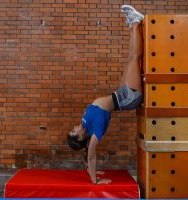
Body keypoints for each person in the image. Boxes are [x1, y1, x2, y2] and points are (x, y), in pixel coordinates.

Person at [67, 5, 144, 185]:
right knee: (134, 59)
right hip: (129, 98)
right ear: (79, 137)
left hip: (120, 94)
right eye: (73, 131)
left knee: (130, 58)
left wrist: (89, 169)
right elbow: (92, 155)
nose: (73, 127)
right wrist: (95, 181)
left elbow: (87, 158)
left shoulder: (86, 124)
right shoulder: (95, 134)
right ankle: (136, 21)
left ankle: (134, 24)